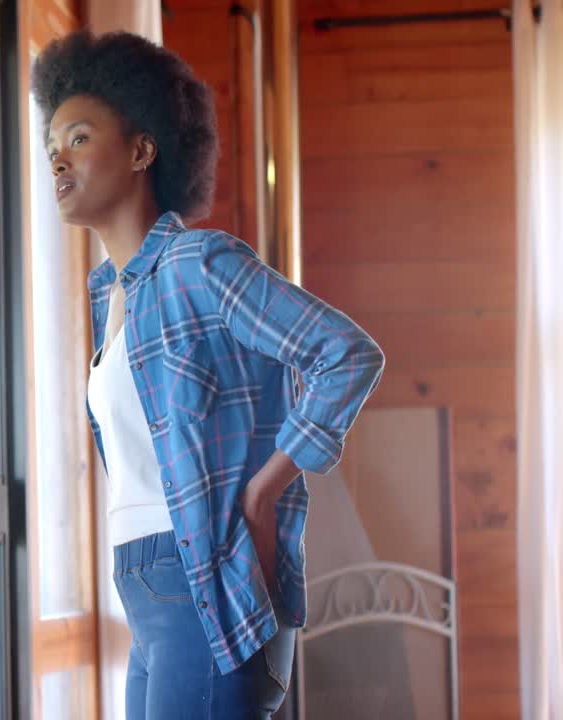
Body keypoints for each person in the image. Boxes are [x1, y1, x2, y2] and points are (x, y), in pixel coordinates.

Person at [31, 31, 385, 719]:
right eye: (52, 147)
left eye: (79, 138)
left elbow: (345, 353)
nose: (58, 159)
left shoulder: (199, 264)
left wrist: (261, 494)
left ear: (142, 150)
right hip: (143, 591)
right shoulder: (109, 295)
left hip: (208, 587)